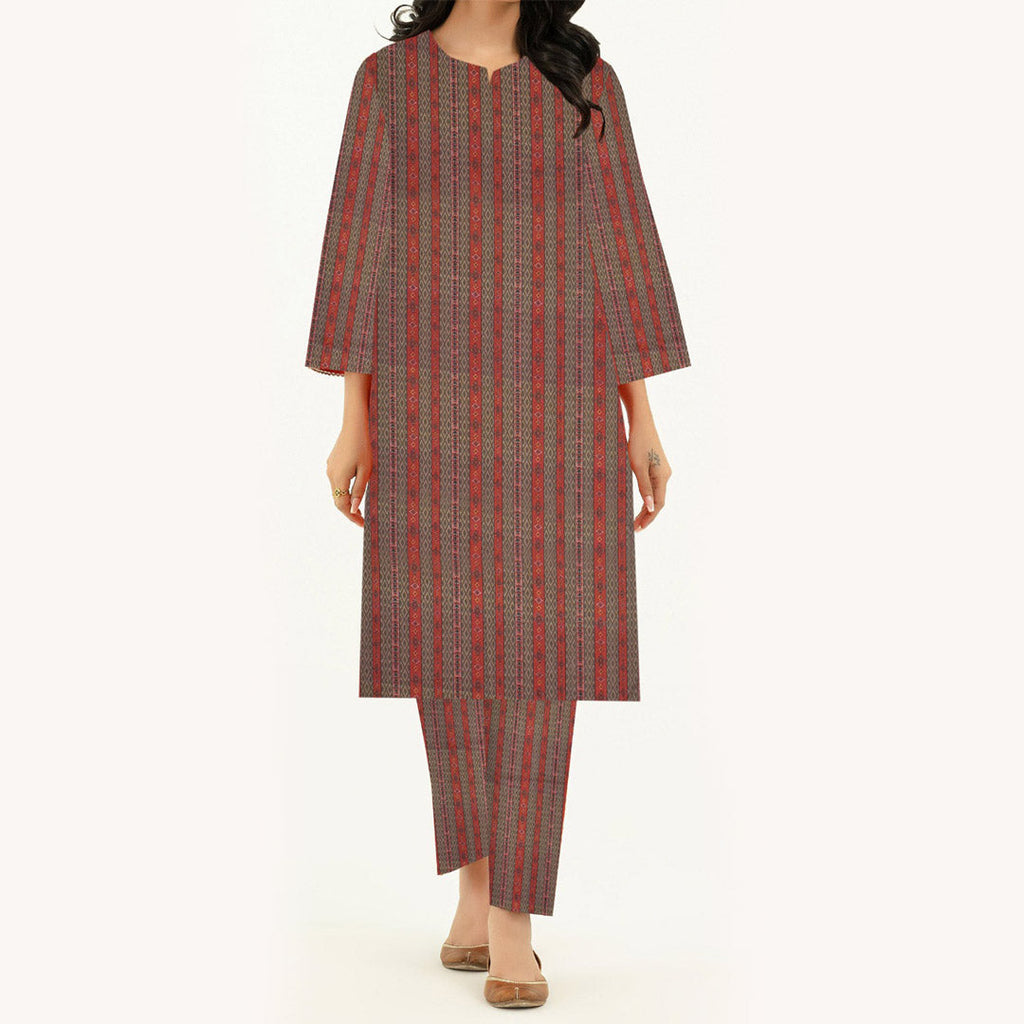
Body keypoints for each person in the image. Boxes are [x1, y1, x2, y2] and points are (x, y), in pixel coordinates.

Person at [304, 0, 691, 1009]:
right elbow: (357, 245)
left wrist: (640, 417)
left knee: (543, 651)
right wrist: (355, 418)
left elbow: (621, 247)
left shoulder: (583, 82)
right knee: (444, 644)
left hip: (559, 395)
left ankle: (515, 916)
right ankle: (474, 887)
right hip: (423, 393)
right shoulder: (387, 84)